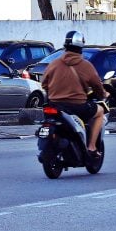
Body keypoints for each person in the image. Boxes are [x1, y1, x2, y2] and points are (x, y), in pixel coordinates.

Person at [40, 31, 107, 163]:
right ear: (81, 47)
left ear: (65, 46)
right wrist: (103, 94)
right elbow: (97, 86)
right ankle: (92, 147)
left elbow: (44, 84)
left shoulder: (53, 64)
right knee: (100, 112)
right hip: (77, 107)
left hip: (55, 106)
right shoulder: (86, 65)